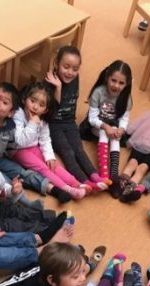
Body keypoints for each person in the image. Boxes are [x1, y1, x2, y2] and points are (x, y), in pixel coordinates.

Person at [0, 82, 71, 204]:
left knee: (21, 173)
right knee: (2, 183)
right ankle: (29, 205)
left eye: (5, 103)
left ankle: (52, 189)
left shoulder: (10, 126)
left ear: (11, 113)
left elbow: (19, 143)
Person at [7, 81, 88, 200]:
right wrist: (32, 123)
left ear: (45, 110)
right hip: (17, 150)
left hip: (33, 147)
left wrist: (49, 156)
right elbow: (20, 141)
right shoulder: (18, 114)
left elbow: (45, 139)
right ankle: (67, 189)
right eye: (32, 101)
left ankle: (76, 183)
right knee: (42, 168)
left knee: (53, 165)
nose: (35, 107)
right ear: (24, 99)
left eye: (41, 105)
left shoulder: (42, 120)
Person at [45, 46, 110, 192]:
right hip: (53, 124)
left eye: (75, 69)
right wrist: (58, 88)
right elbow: (51, 112)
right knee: (67, 151)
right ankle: (84, 181)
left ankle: (95, 177)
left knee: (79, 150)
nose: (70, 72)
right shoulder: (50, 82)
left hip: (69, 121)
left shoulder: (75, 77)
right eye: (66, 67)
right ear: (56, 63)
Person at [79, 60, 133, 182]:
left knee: (114, 135)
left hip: (113, 126)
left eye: (121, 83)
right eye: (113, 80)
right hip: (96, 126)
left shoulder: (126, 98)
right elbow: (92, 118)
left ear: (127, 83)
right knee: (105, 132)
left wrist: (121, 129)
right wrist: (105, 126)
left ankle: (113, 174)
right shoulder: (98, 92)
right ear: (107, 77)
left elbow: (124, 118)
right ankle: (103, 174)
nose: (116, 86)